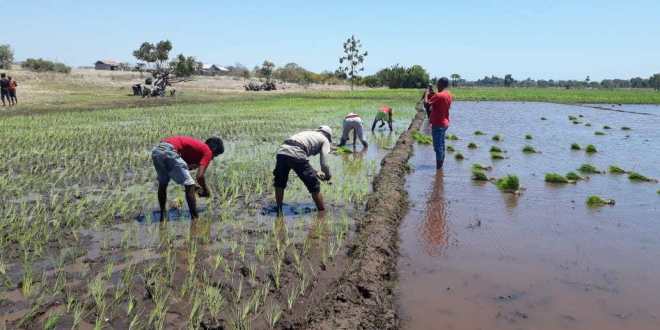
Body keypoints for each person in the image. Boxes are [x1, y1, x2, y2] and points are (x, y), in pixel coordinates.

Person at [151, 135, 224, 221]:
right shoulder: (207, 151)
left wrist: (195, 188)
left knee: (163, 183)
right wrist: (205, 190)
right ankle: (195, 218)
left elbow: (180, 172)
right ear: (214, 149)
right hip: (169, 150)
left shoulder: (196, 149)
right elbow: (199, 176)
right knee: (189, 185)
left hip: (157, 151)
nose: (212, 158)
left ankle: (163, 215)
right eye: (215, 155)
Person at [274, 126, 333, 215]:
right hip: (297, 152)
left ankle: (279, 209)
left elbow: (301, 160)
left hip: (282, 151)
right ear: (328, 136)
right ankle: (322, 212)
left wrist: (315, 172)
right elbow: (324, 164)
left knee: (279, 182)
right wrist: (328, 176)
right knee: (314, 185)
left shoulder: (309, 133)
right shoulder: (325, 140)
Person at [424, 77, 453, 170]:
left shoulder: (439, 96)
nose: (436, 85)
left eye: (437, 83)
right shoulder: (448, 94)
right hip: (445, 123)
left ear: (440, 84)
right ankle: (440, 168)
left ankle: (438, 168)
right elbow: (438, 101)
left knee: (437, 147)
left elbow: (426, 104)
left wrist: (426, 94)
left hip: (438, 124)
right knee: (442, 144)